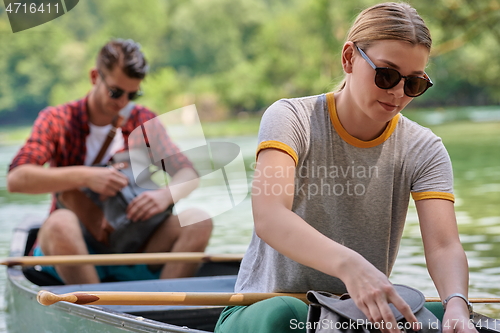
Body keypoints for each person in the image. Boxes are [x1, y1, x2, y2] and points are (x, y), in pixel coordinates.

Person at [215, 3, 477, 333]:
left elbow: (444, 246)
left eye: (413, 84)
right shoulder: (290, 119)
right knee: (286, 312)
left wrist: (457, 304)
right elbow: (269, 217)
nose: (397, 94)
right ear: (349, 58)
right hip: (268, 313)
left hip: (353, 319)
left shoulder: (425, 148)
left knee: (441, 317)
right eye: (387, 75)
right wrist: (350, 266)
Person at [7, 39, 213, 285]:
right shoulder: (57, 119)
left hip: (136, 243)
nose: (123, 102)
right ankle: (99, 311)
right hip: (74, 248)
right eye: (116, 92)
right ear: (95, 77)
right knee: (58, 224)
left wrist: (164, 196)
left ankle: (161, 309)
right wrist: (86, 176)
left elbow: (188, 174)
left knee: (199, 220)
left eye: (132, 94)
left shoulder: (143, 119)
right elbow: (17, 179)